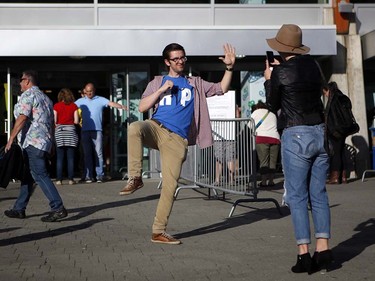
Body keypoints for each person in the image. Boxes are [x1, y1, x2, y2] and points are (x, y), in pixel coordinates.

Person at [119, 42, 236, 245]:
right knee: (135, 128)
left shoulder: (195, 83)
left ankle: (158, 231)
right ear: (167, 62)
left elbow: (221, 88)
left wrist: (229, 68)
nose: (180, 61)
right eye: (175, 59)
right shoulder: (157, 82)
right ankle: (135, 177)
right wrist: (162, 89)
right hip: (155, 127)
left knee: (170, 186)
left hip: (177, 139)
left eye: (183, 57)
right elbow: (142, 106)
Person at [264, 24, 333, 274]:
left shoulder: (280, 72)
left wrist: (268, 81)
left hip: (296, 134)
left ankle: (304, 255)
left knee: (297, 197)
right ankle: (323, 249)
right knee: (319, 194)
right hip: (319, 132)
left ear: (281, 49)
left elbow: (272, 104)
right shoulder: (314, 66)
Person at [4, 70, 68, 222]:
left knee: (40, 174)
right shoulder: (46, 98)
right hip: (43, 142)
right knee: (28, 176)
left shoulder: (28, 95)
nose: (19, 83)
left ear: (27, 81)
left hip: (33, 142)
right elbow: (52, 123)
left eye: (21, 80)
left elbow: (22, 117)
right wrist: (51, 142)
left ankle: (58, 207)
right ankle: (19, 208)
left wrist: (11, 138)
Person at [75, 83, 127, 183]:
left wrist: (122, 107)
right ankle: (89, 176)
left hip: (97, 130)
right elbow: (71, 108)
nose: (89, 93)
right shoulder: (80, 101)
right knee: (87, 154)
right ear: (84, 91)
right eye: (87, 91)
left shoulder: (100, 99)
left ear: (94, 90)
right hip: (85, 130)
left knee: (98, 153)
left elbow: (111, 103)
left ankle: (99, 175)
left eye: (91, 91)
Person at [323, 82, 352, 184]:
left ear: (328, 90)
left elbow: (331, 117)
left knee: (335, 153)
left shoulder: (333, 100)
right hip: (344, 129)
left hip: (335, 130)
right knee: (341, 152)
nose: (325, 95)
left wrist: (329, 130)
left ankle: (335, 177)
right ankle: (343, 177)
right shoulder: (343, 97)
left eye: (325, 93)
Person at [250, 100, 280, 187]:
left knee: (264, 162)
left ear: (257, 107)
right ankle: (271, 181)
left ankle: (263, 182)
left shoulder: (255, 112)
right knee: (272, 162)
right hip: (275, 138)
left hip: (262, 138)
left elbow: (250, 126)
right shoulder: (272, 114)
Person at [54, 88, 79, 185]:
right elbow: (76, 121)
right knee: (70, 158)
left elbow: (55, 120)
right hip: (71, 132)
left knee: (60, 157)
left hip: (60, 131)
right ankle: (71, 179)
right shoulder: (74, 106)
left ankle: (59, 179)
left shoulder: (56, 106)